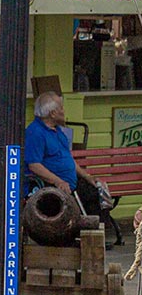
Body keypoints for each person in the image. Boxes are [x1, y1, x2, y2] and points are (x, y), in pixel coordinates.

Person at [25, 92, 112, 232]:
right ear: (53, 113)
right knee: (78, 201)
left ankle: (97, 233)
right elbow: (34, 165)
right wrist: (57, 181)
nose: (64, 111)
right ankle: (85, 233)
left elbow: (69, 160)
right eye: (61, 108)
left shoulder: (58, 130)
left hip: (70, 182)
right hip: (51, 185)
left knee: (98, 189)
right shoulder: (35, 132)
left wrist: (87, 176)